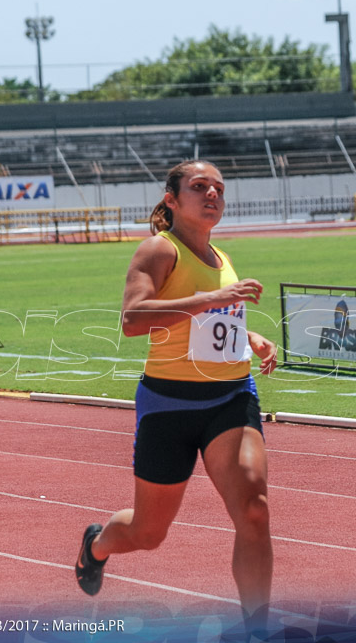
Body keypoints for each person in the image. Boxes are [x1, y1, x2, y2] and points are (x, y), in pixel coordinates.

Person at [74, 160, 278, 635]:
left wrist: (251, 338)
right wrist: (211, 300)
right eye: (199, 186)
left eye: (219, 189)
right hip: (169, 404)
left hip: (231, 397)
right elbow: (133, 319)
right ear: (171, 200)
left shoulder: (220, 257)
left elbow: (210, 324)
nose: (212, 194)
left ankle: (258, 630)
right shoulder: (158, 250)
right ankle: (97, 545)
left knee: (254, 508)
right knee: (148, 533)